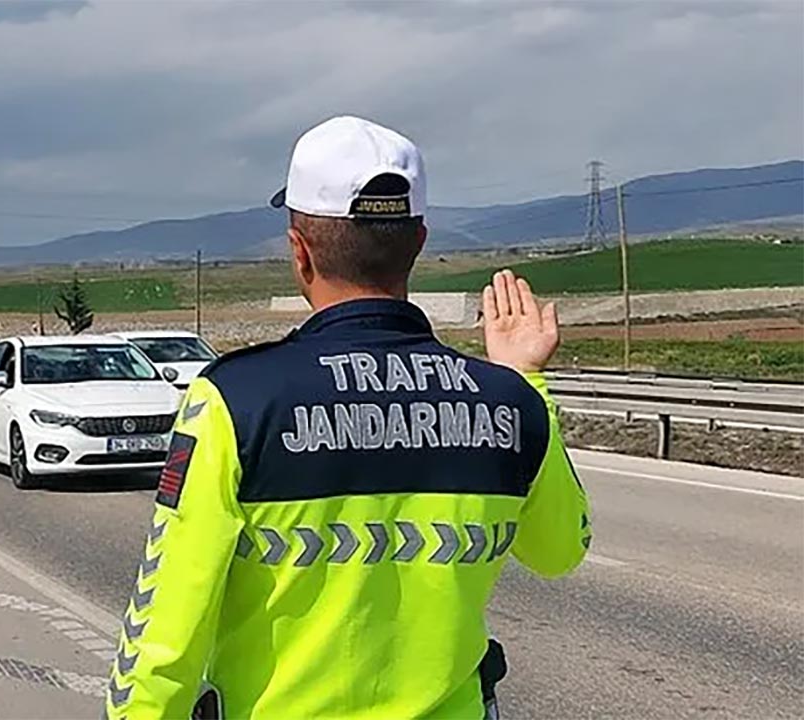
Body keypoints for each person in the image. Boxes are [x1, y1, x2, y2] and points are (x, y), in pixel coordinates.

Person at [104, 116, 589, 719]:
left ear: (299, 250)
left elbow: (166, 624)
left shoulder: (237, 400)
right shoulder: (510, 402)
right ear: (418, 241)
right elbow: (562, 550)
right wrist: (528, 381)